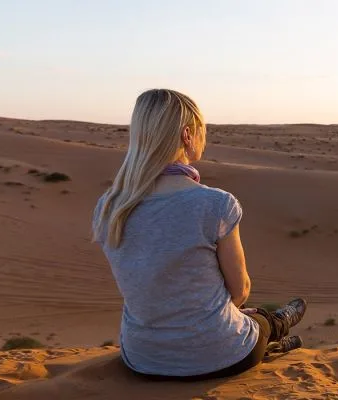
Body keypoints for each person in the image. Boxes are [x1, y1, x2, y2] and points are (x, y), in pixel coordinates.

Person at [91, 88, 306, 381]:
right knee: (259, 320)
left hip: (144, 360)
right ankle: (277, 328)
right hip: (220, 355)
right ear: (187, 135)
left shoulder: (110, 207)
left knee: (239, 319)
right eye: (202, 131)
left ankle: (273, 338)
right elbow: (240, 291)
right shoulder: (215, 204)